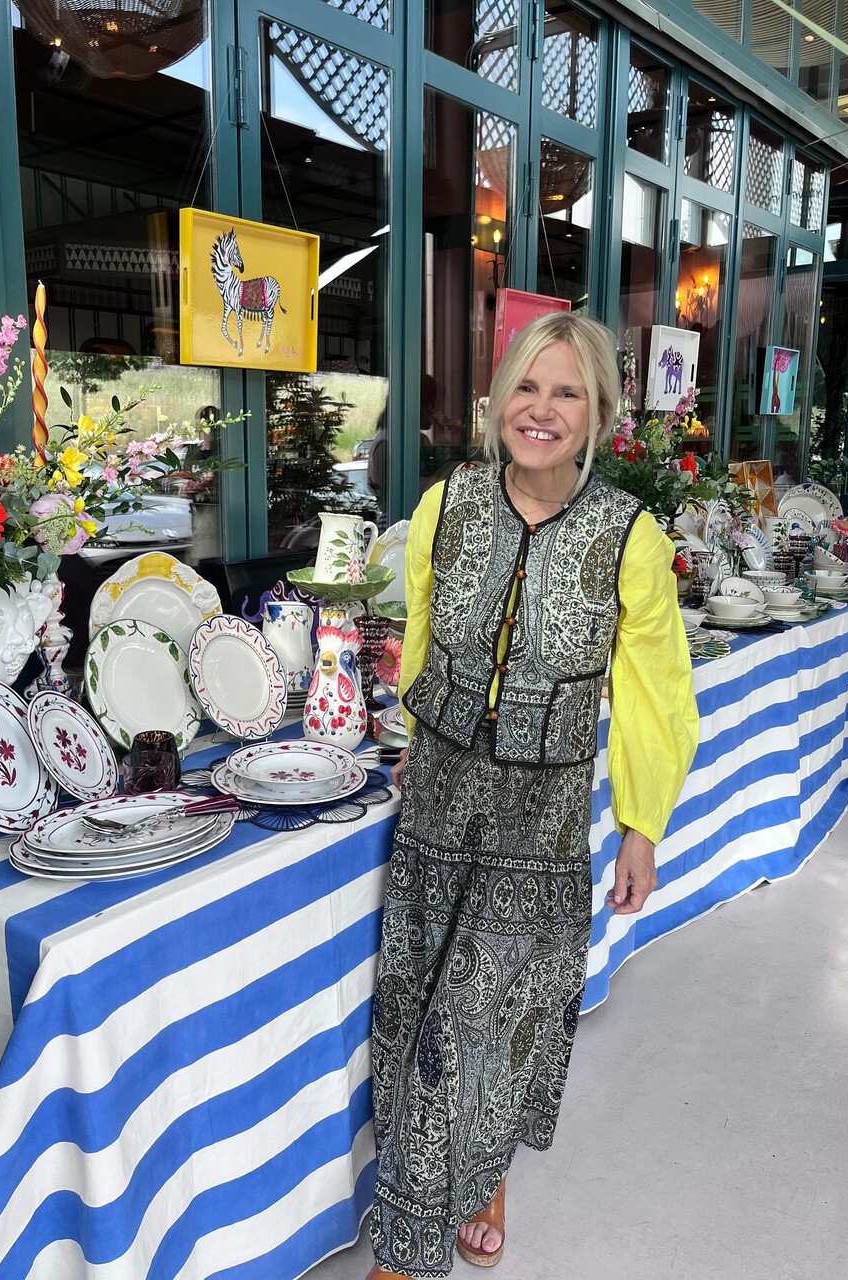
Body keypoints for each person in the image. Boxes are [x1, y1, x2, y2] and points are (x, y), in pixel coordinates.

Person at [366, 312, 699, 1279]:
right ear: (496, 400)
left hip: (540, 830)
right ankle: (480, 1179)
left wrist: (642, 824)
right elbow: (424, 631)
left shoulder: (628, 537)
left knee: (480, 1034)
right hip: (436, 808)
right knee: (416, 1020)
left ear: (597, 412)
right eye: (525, 387)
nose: (540, 410)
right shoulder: (446, 505)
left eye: (566, 392)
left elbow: (654, 691)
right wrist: (415, 731)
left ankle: (408, 1253)